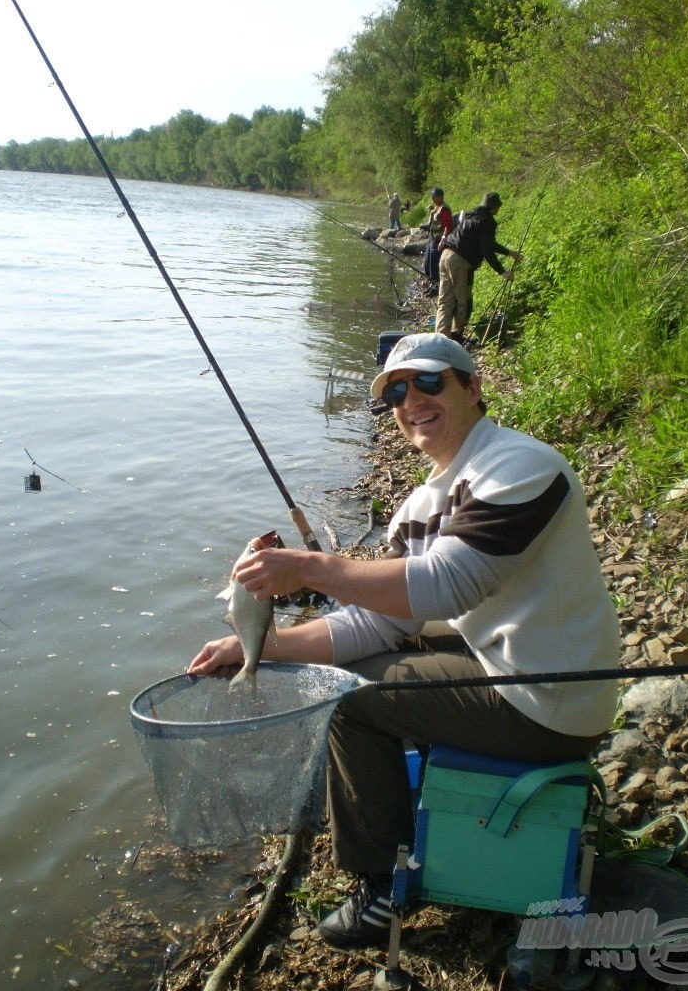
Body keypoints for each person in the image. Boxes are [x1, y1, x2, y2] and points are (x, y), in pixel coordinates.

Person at [188, 332, 620, 952]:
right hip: (511, 673)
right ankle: (398, 824)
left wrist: (310, 568)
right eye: (395, 391)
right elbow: (378, 625)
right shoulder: (422, 503)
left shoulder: (522, 467)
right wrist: (255, 648)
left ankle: (379, 891)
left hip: (550, 701)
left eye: (428, 381)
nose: (410, 398)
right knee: (364, 662)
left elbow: (445, 586)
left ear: (472, 387)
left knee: (351, 702)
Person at [436, 191, 521, 341]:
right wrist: (502, 272)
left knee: (445, 299)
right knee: (463, 299)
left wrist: (509, 252)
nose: (498, 209)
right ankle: (456, 335)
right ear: (494, 207)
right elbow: (487, 250)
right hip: (459, 261)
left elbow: (487, 243)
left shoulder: (471, 215)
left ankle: (440, 337)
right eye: (498, 207)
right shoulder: (487, 221)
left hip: (445, 256)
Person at [421, 187, 454, 296]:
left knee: (435, 264)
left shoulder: (444, 209)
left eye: (435, 197)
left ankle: (436, 287)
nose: (433, 199)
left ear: (440, 197)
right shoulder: (437, 208)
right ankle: (432, 285)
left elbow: (447, 226)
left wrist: (443, 239)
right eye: (432, 197)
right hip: (432, 238)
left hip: (438, 240)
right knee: (428, 263)